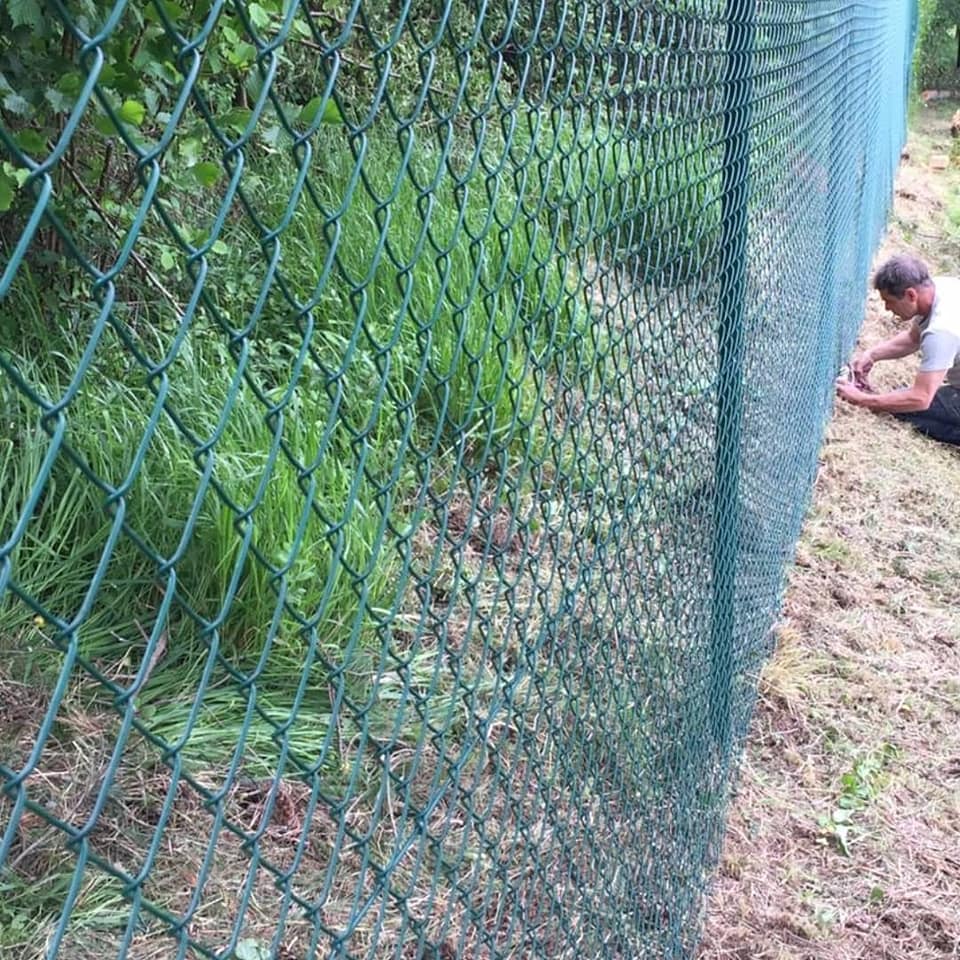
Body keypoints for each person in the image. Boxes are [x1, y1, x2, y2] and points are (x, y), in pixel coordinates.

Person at [836, 253, 960, 446]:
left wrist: (861, 399)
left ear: (911, 295)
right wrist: (871, 355)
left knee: (907, 409)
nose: (886, 308)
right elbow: (912, 338)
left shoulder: (942, 330)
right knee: (900, 401)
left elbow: (920, 398)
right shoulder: (937, 289)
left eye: (890, 301)